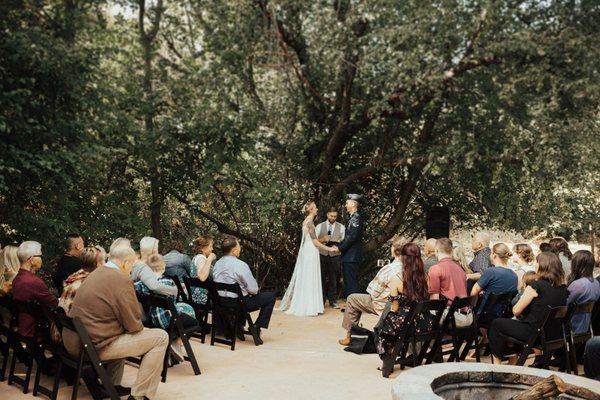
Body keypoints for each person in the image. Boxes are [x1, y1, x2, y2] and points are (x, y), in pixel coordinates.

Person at [64, 243, 168, 400]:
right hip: (94, 346)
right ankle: (140, 396)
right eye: (132, 265)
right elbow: (134, 325)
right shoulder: (121, 280)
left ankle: (111, 385)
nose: (132, 270)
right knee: (160, 337)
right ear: (125, 263)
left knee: (133, 333)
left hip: (75, 340)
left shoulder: (96, 272)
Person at [488, 252, 568, 360]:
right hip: (554, 334)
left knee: (496, 324)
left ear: (541, 266)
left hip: (535, 333)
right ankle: (522, 357)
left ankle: (501, 361)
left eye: (537, 262)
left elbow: (516, 311)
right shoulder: (563, 289)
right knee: (513, 324)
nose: (535, 265)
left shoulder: (536, 286)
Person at [338, 238, 403, 346]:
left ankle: (349, 336)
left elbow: (373, 292)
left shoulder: (389, 269)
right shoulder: (413, 267)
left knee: (352, 299)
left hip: (385, 306)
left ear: (394, 250)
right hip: (402, 306)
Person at [134, 254, 197, 362]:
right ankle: (175, 342)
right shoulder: (168, 282)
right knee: (194, 321)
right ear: (163, 268)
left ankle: (168, 349)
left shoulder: (141, 283)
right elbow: (173, 302)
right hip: (168, 322)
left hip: (152, 321)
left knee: (184, 309)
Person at [212, 237, 276, 342]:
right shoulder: (240, 265)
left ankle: (239, 326)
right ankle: (256, 326)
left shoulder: (217, 264)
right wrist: (251, 291)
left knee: (242, 294)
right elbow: (254, 290)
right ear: (234, 250)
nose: (240, 249)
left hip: (222, 303)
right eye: (239, 246)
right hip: (239, 304)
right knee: (270, 297)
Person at [375, 242, 433, 357]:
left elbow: (395, 308)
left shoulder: (397, 279)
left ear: (403, 258)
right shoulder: (426, 278)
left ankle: (387, 360)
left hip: (407, 325)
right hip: (425, 323)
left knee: (382, 326)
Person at [279, 201, 336, 316]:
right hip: (310, 251)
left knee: (308, 276)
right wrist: (329, 249)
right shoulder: (309, 222)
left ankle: (309, 304)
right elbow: (315, 241)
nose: (317, 209)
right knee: (310, 276)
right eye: (315, 208)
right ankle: (309, 307)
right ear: (310, 209)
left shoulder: (306, 221)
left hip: (308, 249)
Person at [12, 241, 59, 338]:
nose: (42, 259)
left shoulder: (17, 279)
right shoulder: (33, 282)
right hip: (36, 331)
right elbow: (55, 304)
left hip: (23, 327)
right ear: (32, 260)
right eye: (40, 256)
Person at [428, 238, 472, 327]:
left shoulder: (435, 269)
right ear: (452, 251)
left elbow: (434, 299)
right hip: (468, 316)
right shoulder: (460, 269)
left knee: (420, 314)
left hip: (453, 318)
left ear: (436, 251)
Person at [470, 243, 518, 321]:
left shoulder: (491, 272)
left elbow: (473, 292)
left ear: (494, 255)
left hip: (483, 314)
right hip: (501, 315)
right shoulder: (514, 275)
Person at [332, 194, 364, 297]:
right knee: (349, 282)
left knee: (351, 282)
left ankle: (354, 306)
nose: (345, 205)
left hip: (352, 256)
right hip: (349, 256)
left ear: (354, 204)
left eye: (347, 203)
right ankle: (352, 305)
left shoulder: (356, 218)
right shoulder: (353, 218)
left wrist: (339, 248)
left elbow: (352, 237)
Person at [316, 207, 345, 309]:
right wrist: (323, 239)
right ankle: (321, 300)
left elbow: (343, 241)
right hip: (322, 255)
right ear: (327, 215)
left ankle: (333, 301)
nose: (333, 218)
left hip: (335, 256)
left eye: (335, 216)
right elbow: (314, 240)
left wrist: (338, 245)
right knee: (321, 278)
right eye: (331, 216)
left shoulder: (341, 227)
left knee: (334, 278)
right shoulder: (320, 226)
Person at [58, 246, 101, 315]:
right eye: (103, 261)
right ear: (97, 264)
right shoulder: (88, 284)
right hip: (77, 323)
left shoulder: (73, 278)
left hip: (66, 321)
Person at [566, 250, 600, 334]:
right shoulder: (596, 283)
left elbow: (563, 303)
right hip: (586, 326)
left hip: (572, 327)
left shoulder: (578, 285)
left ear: (576, 265)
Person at [189, 236, 217, 305]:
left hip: (195, 297)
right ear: (203, 248)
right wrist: (210, 258)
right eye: (211, 246)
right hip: (204, 299)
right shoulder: (201, 258)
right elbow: (202, 277)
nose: (212, 249)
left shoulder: (197, 257)